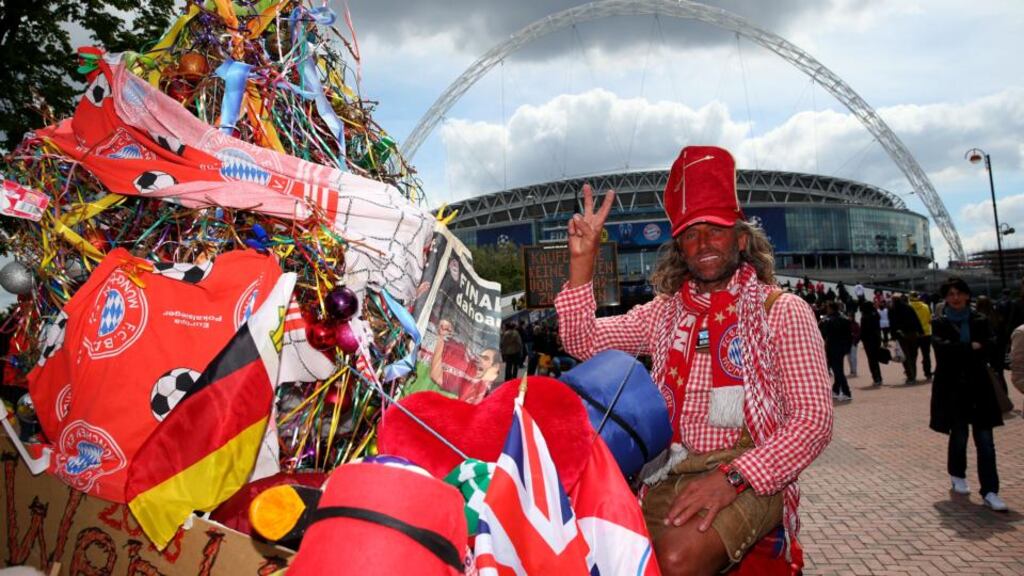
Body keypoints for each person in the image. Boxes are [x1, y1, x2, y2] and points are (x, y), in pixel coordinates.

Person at [554, 145, 832, 575]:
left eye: (714, 230)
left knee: (673, 560)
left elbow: (813, 422)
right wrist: (581, 262)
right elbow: (582, 340)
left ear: (741, 239)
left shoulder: (782, 311)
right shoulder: (665, 313)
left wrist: (733, 477)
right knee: (599, 555)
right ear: (679, 248)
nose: (702, 243)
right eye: (690, 234)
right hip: (668, 471)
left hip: (751, 474)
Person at [929, 277, 1007, 512]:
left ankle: (990, 491)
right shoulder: (940, 322)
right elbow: (941, 352)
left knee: (986, 442)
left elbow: (992, 347)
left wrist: (961, 350)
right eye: (950, 294)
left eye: (958, 293)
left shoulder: (980, 320)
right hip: (954, 389)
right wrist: (970, 347)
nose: (955, 298)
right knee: (959, 434)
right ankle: (957, 473)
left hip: (979, 388)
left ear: (966, 295)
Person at [820, 301, 853, 401]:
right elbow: (849, 334)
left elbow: (824, 333)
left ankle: (846, 392)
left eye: (828, 308)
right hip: (842, 347)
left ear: (831, 309)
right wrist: (848, 347)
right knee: (838, 369)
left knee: (838, 371)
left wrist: (823, 322)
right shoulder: (844, 318)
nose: (827, 310)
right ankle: (836, 390)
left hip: (833, 347)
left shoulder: (829, 320)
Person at [890, 294, 924, 384]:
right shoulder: (909, 308)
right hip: (912, 334)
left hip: (901, 335)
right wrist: (921, 331)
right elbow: (916, 320)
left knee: (905, 356)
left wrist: (893, 335)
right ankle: (913, 374)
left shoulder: (893, 310)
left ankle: (910, 376)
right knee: (913, 354)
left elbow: (892, 324)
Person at [909, 292, 934, 381]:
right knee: (926, 355)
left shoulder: (908, 307)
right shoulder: (925, 306)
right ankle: (927, 373)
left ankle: (912, 374)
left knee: (912, 355)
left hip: (913, 334)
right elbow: (929, 319)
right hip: (926, 333)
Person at [859, 301, 884, 386]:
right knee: (875, 359)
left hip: (868, 341)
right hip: (876, 339)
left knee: (871, 360)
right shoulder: (875, 315)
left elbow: (862, 330)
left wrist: (859, 339)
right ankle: (879, 377)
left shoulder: (864, 317)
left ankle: (876, 377)